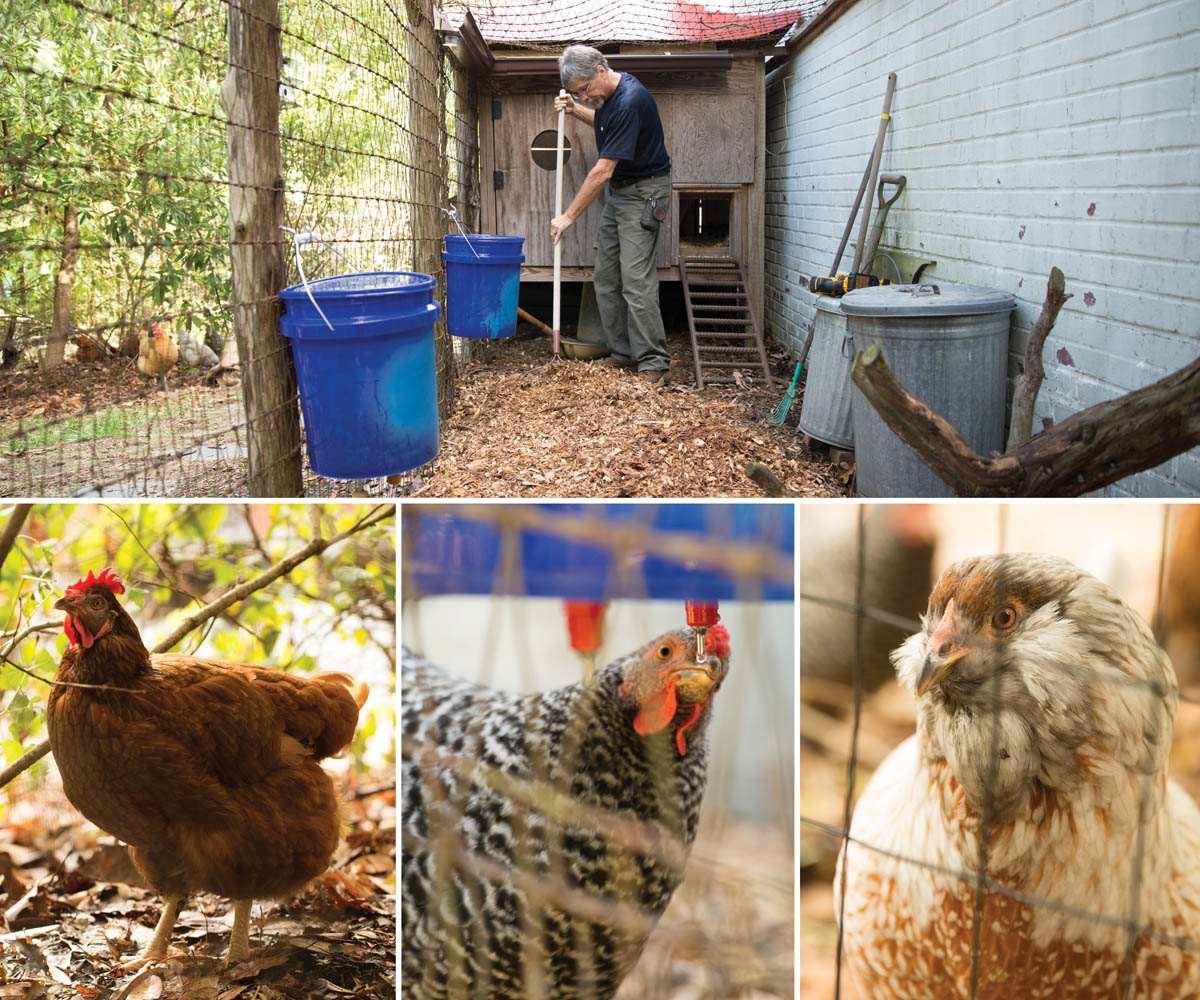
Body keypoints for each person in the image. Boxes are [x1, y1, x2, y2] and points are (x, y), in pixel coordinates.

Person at [551, 45, 672, 385]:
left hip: (643, 193)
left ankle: (654, 363)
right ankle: (623, 353)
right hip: (619, 194)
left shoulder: (631, 100)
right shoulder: (608, 101)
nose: (584, 96)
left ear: (601, 71)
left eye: (584, 89)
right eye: (577, 92)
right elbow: (605, 124)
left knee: (636, 281)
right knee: (606, 279)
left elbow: (602, 170)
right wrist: (575, 110)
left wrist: (568, 216)